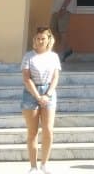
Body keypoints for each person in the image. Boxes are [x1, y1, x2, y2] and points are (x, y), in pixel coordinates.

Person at [21, 27, 62, 174]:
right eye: (38, 38)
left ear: (48, 39)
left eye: (43, 38)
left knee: (48, 130)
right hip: (31, 93)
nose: (40, 41)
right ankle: (33, 166)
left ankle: (44, 164)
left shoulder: (54, 57)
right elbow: (26, 78)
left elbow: (55, 77)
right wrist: (38, 96)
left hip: (49, 93)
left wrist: (48, 95)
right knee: (32, 132)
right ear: (34, 39)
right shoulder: (28, 56)